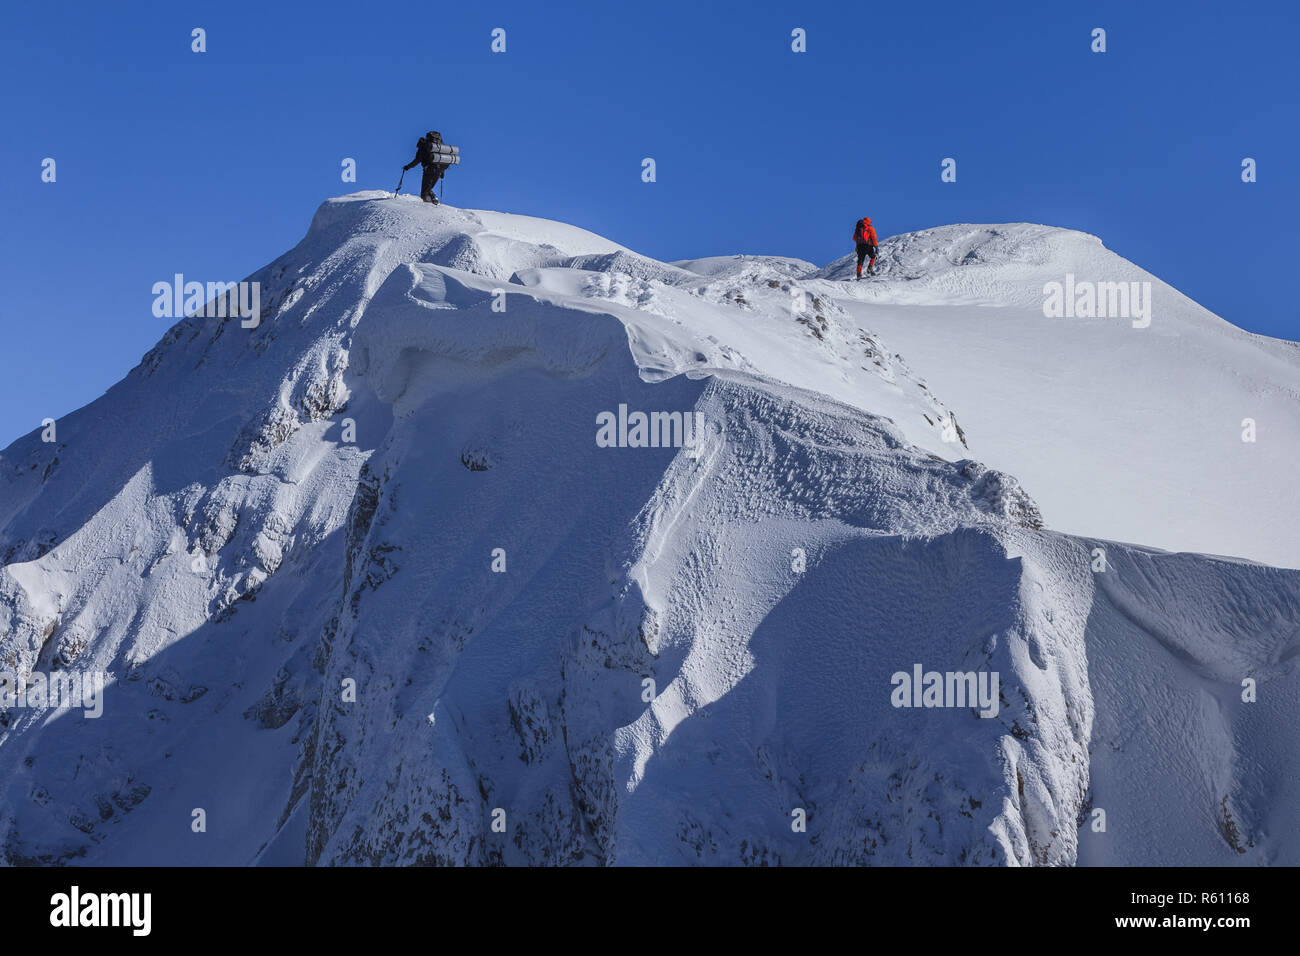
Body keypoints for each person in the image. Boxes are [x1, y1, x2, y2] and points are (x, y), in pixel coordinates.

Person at [403, 131, 450, 204]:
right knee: (428, 189)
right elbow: (441, 160)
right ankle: (433, 200)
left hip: (429, 170)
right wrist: (442, 172)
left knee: (424, 193)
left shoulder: (423, 147)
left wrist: (407, 167)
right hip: (439, 170)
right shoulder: (438, 147)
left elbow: (417, 160)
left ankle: (429, 204)